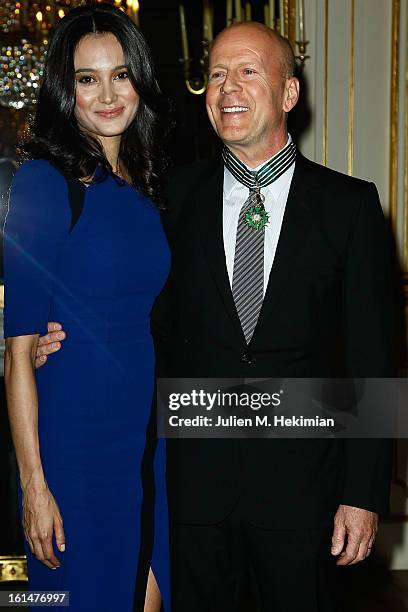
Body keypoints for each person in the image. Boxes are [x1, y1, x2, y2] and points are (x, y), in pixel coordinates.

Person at [37, 22, 395, 612]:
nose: (228, 87)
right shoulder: (169, 198)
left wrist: (363, 494)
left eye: (249, 71)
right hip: (192, 495)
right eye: (217, 74)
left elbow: (372, 358)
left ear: (288, 94)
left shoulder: (350, 206)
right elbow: (139, 315)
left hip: (305, 497)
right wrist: (60, 338)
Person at [3, 4, 171, 611]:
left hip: (145, 444)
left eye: (120, 75)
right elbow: (19, 351)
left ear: (140, 81)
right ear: (64, 88)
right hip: (73, 450)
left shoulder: (145, 183)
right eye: (86, 78)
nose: (107, 94)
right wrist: (34, 486)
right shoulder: (44, 184)